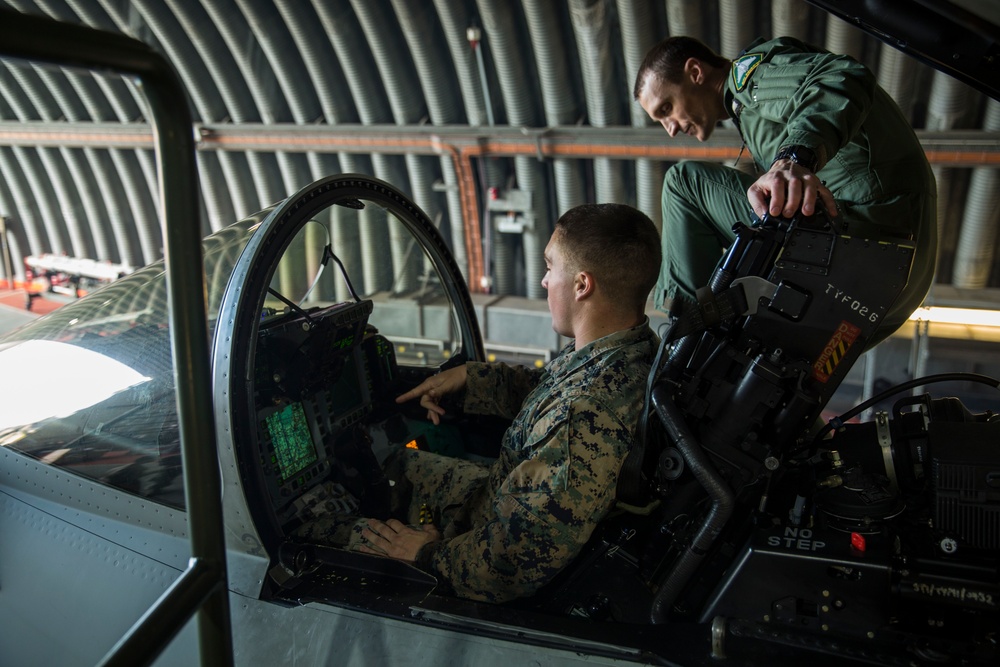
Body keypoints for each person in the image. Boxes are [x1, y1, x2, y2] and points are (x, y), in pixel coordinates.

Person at [353, 203, 660, 603]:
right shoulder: (625, 351)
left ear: (582, 285)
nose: (544, 280)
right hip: (498, 500)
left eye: (551, 267)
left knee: (348, 532)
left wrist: (424, 553)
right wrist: (470, 378)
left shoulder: (582, 416)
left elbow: (508, 564)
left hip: (490, 548)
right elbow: (550, 387)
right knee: (399, 464)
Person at [633, 35, 937, 344]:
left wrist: (794, 159)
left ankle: (684, 331)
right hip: (894, 278)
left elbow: (843, 75)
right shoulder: (750, 112)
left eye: (666, 108)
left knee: (684, 182)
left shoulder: (747, 79)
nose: (670, 129)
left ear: (695, 72)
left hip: (868, 230)